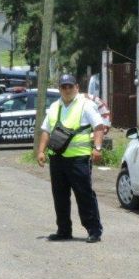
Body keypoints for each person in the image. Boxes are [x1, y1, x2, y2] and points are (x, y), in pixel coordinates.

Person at [37, 74, 106, 244]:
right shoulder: (54, 106)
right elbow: (46, 130)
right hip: (57, 159)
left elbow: (99, 126)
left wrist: (97, 148)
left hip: (79, 159)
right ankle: (63, 230)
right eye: (63, 87)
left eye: (70, 86)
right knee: (59, 196)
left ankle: (94, 230)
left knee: (84, 195)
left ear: (77, 87)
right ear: (59, 89)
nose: (67, 90)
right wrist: (41, 151)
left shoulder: (85, 105)